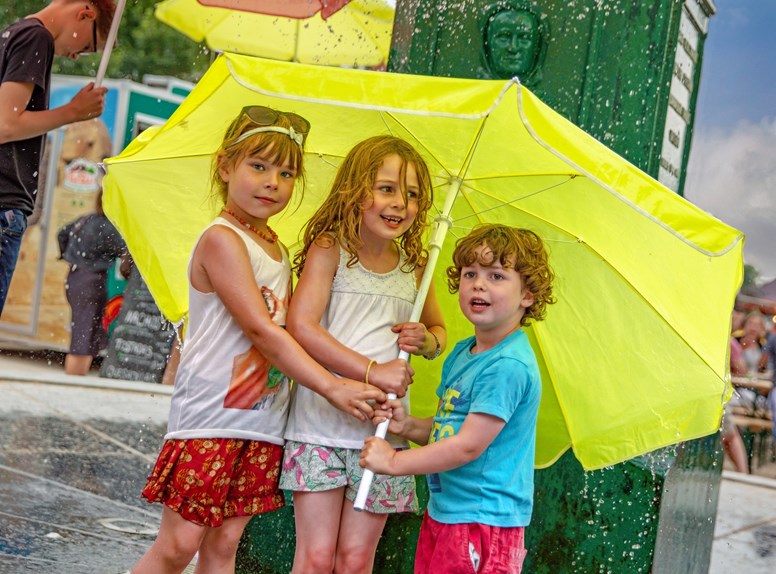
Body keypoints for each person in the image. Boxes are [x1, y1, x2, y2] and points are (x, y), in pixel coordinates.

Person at [131, 107, 385, 574]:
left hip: (262, 420)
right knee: (178, 544)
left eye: (286, 173)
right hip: (211, 417)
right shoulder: (222, 240)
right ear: (225, 167)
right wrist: (333, 386)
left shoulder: (277, 248)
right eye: (258, 166)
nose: (272, 182)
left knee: (225, 544)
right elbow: (262, 331)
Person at [282, 135, 447, 574]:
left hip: (381, 438)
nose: (400, 204)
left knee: (355, 561)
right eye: (387, 188)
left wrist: (425, 340)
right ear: (355, 190)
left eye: (412, 194)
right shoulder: (329, 247)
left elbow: (439, 333)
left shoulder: (416, 266)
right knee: (315, 558)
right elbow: (301, 326)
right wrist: (374, 371)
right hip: (318, 429)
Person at [360, 223, 556, 574]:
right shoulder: (464, 353)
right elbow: (445, 429)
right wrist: (408, 426)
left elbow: (467, 446)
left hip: (482, 520)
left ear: (528, 295)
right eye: (470, 274)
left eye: (497, 276)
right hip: (447, 511)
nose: (479, 284)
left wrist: (392, 463)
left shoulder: (507, 366)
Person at [0, 0, 116, 316]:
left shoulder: (14, 33)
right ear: (85, 14)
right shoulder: (36, 37)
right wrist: (72, 113)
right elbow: (6, 125)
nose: (77, 55)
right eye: (89, 45)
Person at [58, 186, 126, 375]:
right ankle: (73, 382)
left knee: (85, 329)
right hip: (91, 281)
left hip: (75, 278)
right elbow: (126, 252)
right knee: (84, 334)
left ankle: (75, 378)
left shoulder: (86, 219)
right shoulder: (108, 226)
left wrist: (69, 256)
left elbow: (62, 233)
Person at [478, 1, 547, 85]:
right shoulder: (466, 96)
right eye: (504, 37)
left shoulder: (541, 98)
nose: (513, 48)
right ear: (487, 43)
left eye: (524, 38)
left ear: (537, 48)